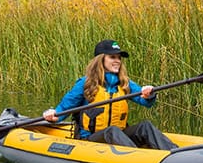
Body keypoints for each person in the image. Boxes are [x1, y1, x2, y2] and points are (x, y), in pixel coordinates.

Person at [42, 39, 178, 150]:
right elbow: (65, 107)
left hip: (119, 135)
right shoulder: (86, 83)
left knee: (145, 126)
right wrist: (53, 115)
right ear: (100, 60)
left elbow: (145, 101)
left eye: (119, 58)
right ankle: (135, 157)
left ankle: (174, 153)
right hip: (91, 139)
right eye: (112, 57)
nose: (117, 60)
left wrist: (149, 95)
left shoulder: (124, 83)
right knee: (111, 131)